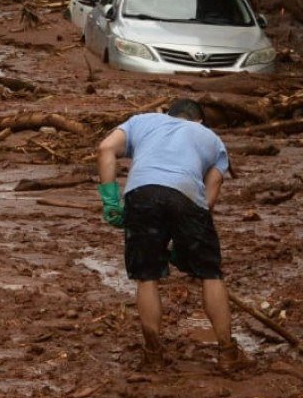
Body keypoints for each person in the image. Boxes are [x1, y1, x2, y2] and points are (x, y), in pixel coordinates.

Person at [96, 98, 242, 371]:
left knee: (146, 276)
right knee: (211, 274)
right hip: (187, 195)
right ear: (199, 120)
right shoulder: (212, 138)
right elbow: (213, 187)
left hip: (142, 193)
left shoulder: (143, 120)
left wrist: (110, 199)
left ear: (166, 113)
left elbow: (105, 148)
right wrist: (190, 240)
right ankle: (227, 354)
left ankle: (153, 355)